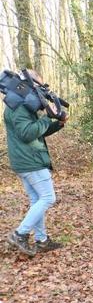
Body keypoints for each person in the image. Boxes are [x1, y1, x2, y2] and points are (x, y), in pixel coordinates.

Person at [4, 71, 66, 256]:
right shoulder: (18, 107)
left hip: (26, 159)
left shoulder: (20, 104)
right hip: (30, 161)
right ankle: (19, 234)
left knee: (37, 200)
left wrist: (57, 124)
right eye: (38, 86)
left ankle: (41, 240)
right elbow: (27, 133)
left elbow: (36, 132)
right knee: (48, 198)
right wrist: (48, 117)